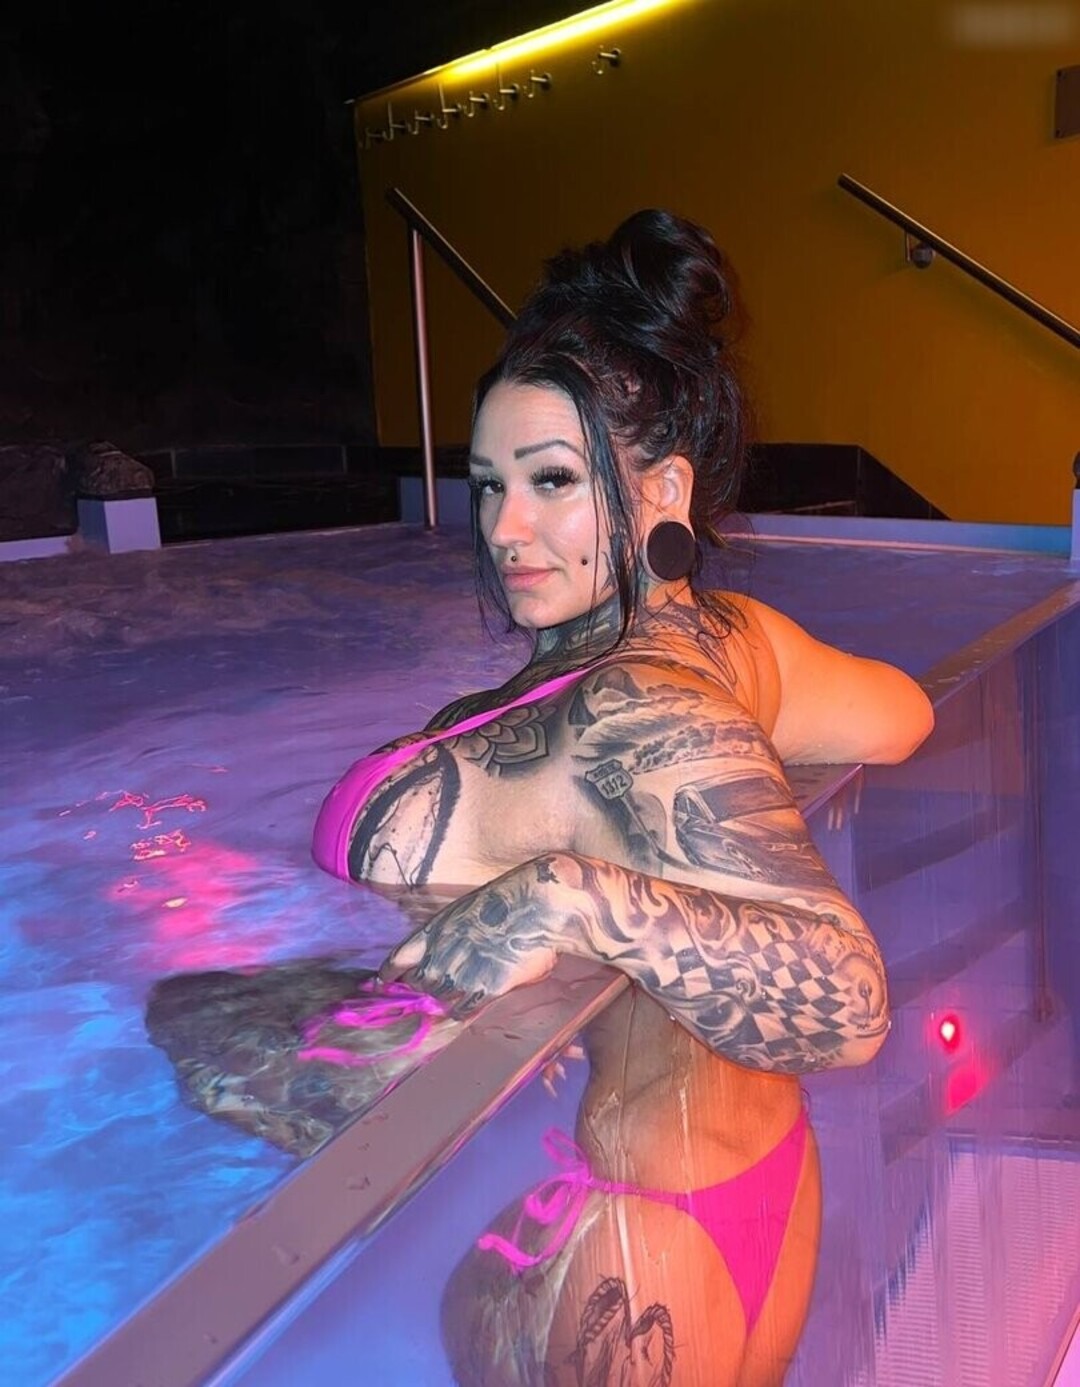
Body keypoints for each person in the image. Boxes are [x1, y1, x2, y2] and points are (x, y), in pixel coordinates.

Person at [313, 209, 934, 1386]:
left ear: (662, 490)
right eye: (488, 485)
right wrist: (739, 761)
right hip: (771, 1182)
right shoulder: (735, 642)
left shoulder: (627, 710)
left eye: (551, 481)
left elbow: (850, 1003)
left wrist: (566, 898)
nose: (505, 529)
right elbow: (904, 715)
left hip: (642, 1248)